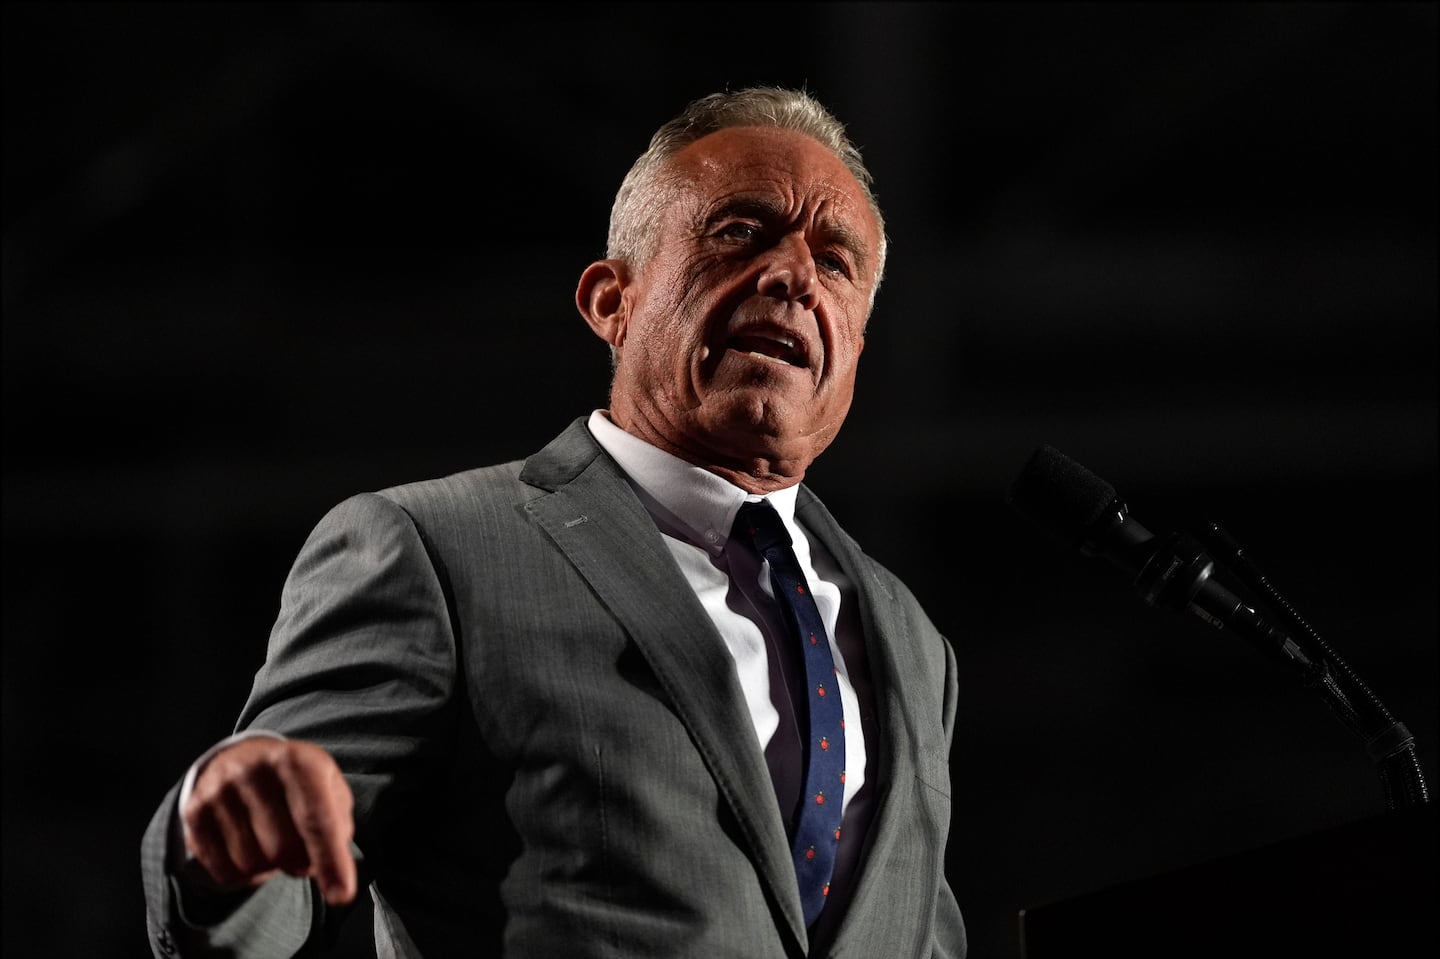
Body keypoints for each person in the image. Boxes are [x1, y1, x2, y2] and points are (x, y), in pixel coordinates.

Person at [141, 86, 966, 959]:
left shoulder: (913, 638)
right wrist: (219, 840)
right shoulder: (432, 551)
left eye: (835, 261)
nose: (795, 275)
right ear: (612, 300)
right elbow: (267, 895)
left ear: (854, 351)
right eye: (739, 232)